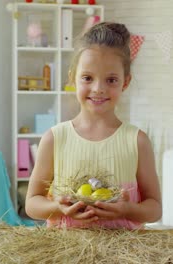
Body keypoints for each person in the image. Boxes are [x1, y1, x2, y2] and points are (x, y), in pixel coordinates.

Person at [25, 22, 162, 229]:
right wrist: (57, 207)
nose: (98, 89)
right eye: (88, 78)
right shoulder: (55, 138)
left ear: (125, 82)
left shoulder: (137, 141)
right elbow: (32, 204)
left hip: (122, 255)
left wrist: (128, 209)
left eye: (111, 80)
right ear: (73, 78)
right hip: (66, 253)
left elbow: (155, 209)